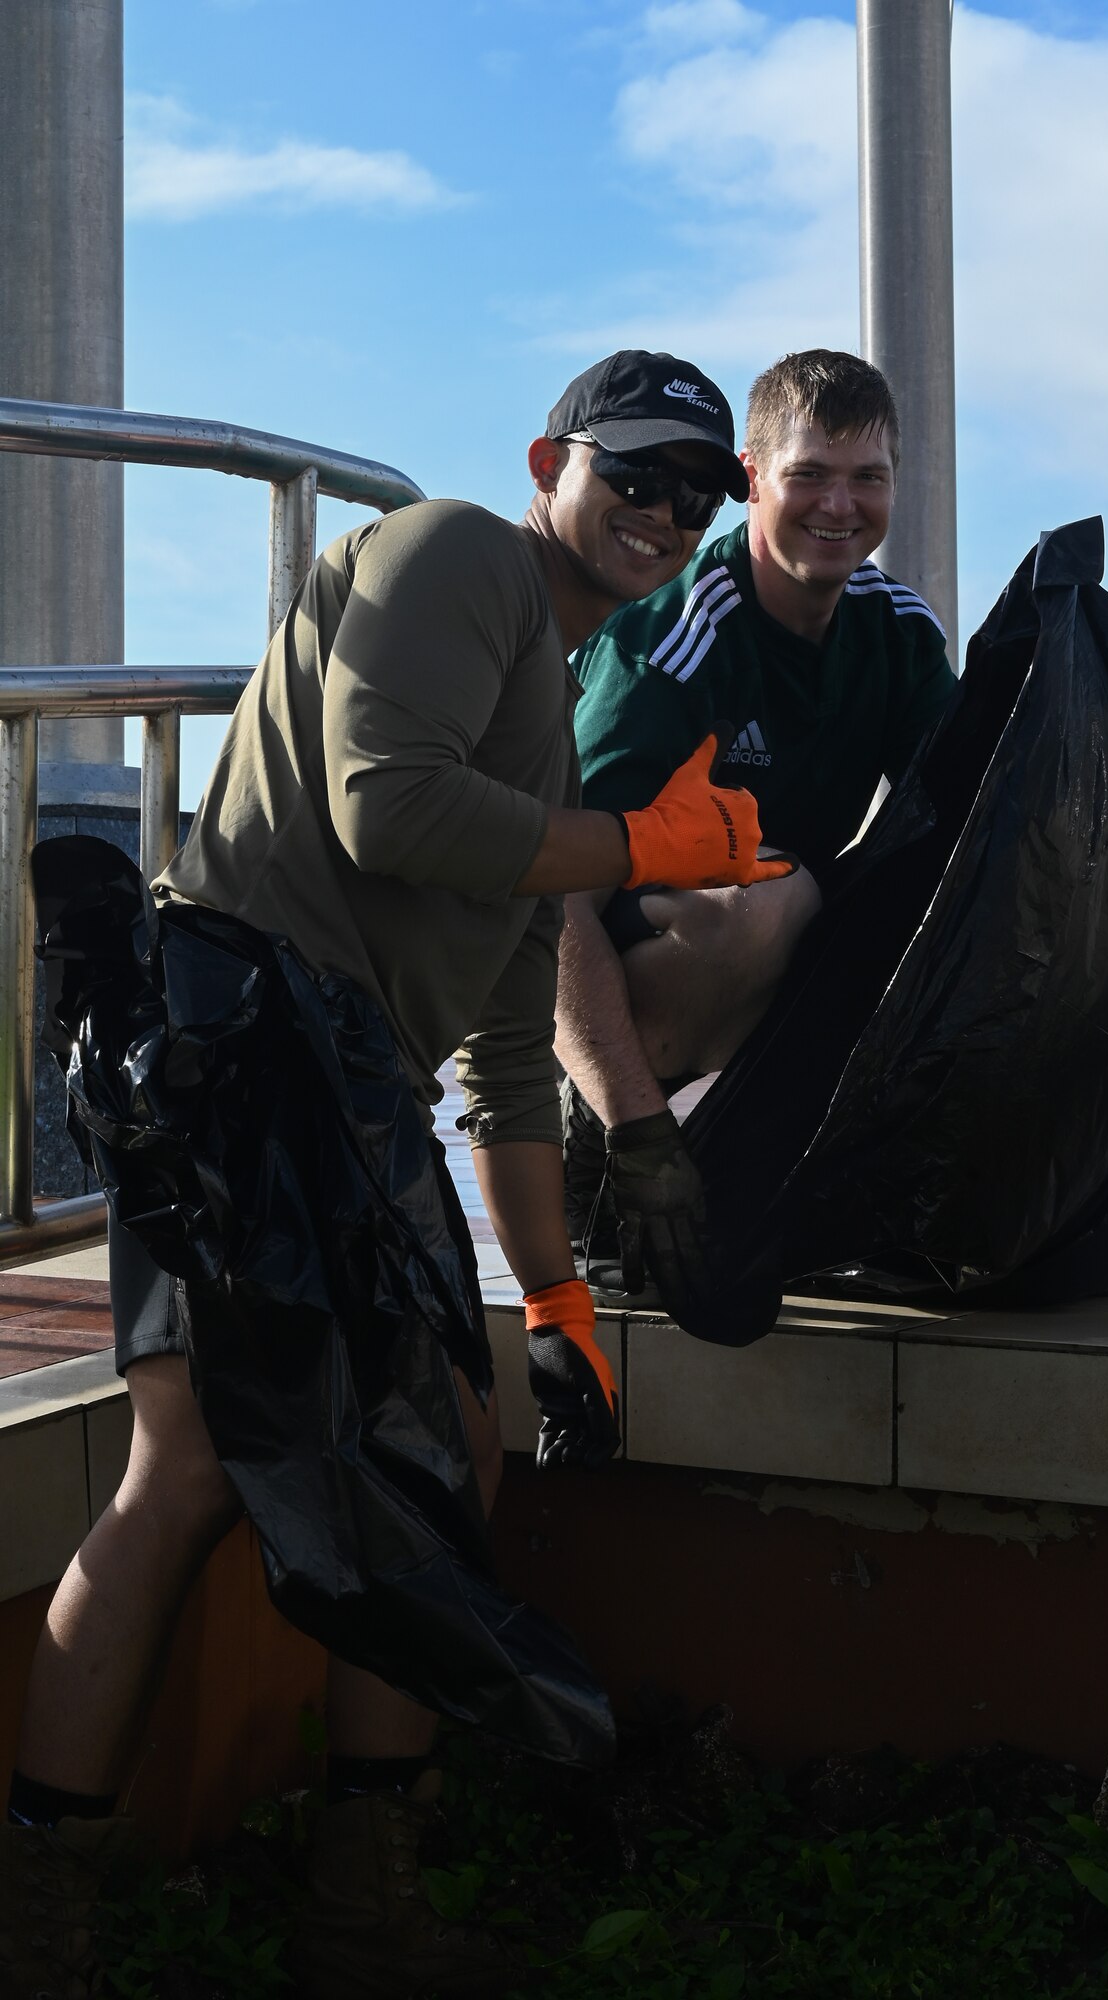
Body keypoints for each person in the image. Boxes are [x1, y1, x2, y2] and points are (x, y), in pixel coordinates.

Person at [0, 350, 787, 2000]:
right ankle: (47, 1909)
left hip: (345, 1096)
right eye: (631, 473)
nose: (659, 511)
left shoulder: (559, 747)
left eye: (693, 493)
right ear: (547, 461)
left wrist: (559, 1295)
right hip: (237, 1048)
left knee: (451, 1450)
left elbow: (505, 1063)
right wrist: (657, 849)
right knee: (192, 1473)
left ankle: (363, 1902)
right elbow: (386, 807)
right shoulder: (454, 556)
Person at [554, 350, 958, 1320]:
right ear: (752, 480)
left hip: (761, 948)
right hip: (597, 992)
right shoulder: (677, 638)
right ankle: (601, 1165)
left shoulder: (897, 633)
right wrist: (629, 1117)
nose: (839, 504)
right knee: (781, 907)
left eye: (867, 477)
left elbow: (974, 824)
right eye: (809, 474)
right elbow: (544, 895)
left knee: (924, 885)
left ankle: (841, 1181)